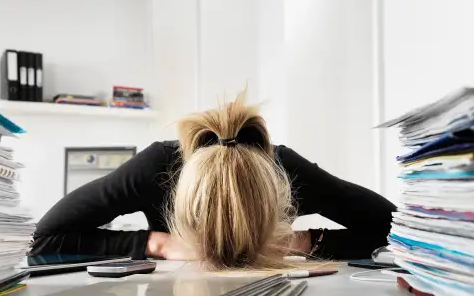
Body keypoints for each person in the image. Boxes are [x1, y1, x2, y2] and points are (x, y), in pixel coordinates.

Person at [31, 93, 396, 269]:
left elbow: (401, 234)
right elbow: (45, 238)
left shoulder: (284, 170)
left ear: (274, 199)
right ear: (180, 199)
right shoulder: (159, 167)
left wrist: (302, 240)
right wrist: (155, 243)